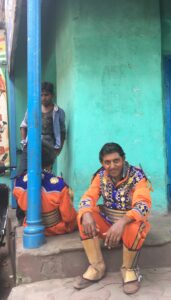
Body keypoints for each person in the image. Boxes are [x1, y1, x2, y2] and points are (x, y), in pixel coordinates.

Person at [74, 143, 152, 294]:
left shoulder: (137, 176)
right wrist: (86, 213)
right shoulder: (100, 175)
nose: (112, 166)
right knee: (83, 216)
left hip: (127, 227)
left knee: (136, 225)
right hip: (108, 224)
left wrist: (122, 222)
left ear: (123, 159)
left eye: (116, 161)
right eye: (107, 162)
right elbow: (89, 196)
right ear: (102, 163)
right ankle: (97, 267)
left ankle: (129, 270)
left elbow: (143, 204)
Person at [13, 142, 77, 236]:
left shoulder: (18, 183)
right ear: (51, 161)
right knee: (78, 216)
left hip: (29, 226)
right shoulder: (59, 185)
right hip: (55, 229)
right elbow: (68, 217)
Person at [17, 81, 66, 175]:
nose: (43, 98)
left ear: (52, 95)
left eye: (46, 95)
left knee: (43, 176)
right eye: (41, 95)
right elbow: (23, 126)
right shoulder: (32, 109)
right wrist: (23, 142)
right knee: (22, 174)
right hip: (31, 146)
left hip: (48, 149)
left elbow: (62, 132)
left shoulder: (59, 112)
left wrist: (58, 150)